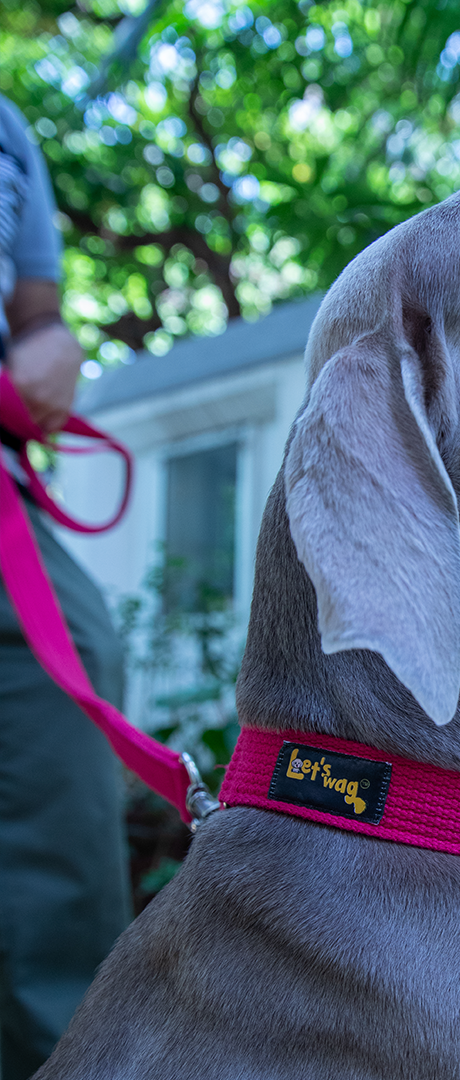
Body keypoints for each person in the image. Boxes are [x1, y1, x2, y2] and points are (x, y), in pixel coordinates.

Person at [0, 92, 130, 1080]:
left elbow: (40, 317)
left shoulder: (9, 129)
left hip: (9, 492)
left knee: (79, 657)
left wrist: (51, 353)